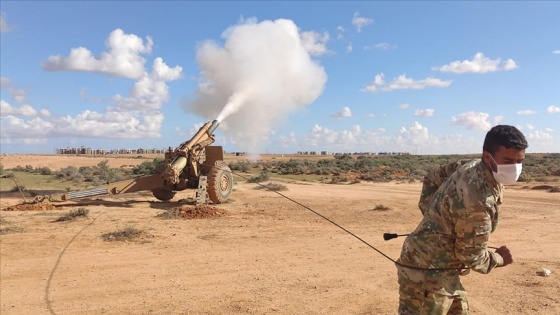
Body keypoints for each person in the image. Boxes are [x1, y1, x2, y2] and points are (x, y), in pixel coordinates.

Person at [397, 125, 528, 315]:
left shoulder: (473, 165)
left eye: (520, 160)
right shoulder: (477, 199)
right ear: (487, 157)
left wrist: (436, 218)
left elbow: (432, 179)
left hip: (445, 269)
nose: (514, 167)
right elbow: (472, 256)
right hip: (426, 273)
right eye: (508, 160)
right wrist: (499, 258)